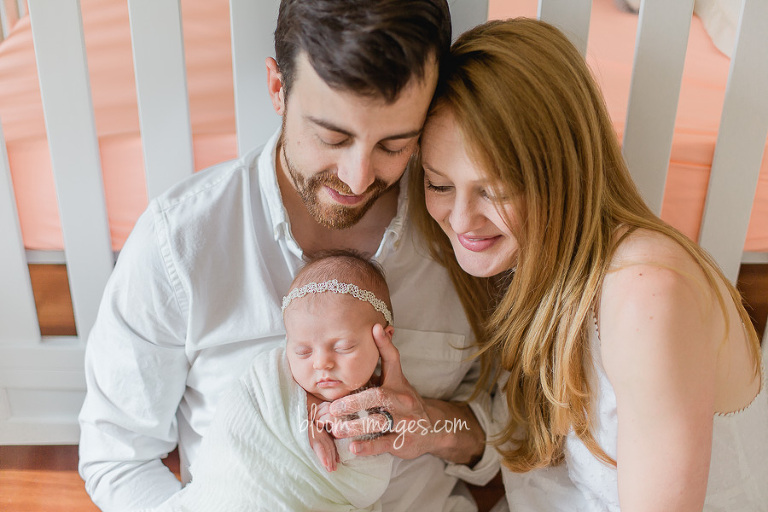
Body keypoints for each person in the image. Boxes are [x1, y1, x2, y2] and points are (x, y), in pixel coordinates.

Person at [78, 2, 498, 511]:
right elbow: (117, 458)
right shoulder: (180, 244)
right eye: (332, 137)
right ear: (278, 89)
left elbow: (507, 431)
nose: (357, 177)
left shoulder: (470, 235)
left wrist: (434, 426)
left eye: (393, 144)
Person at [411, 18, 767, 512]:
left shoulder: (645, 294)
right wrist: (423, 425)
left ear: (559, 171)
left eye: (493, 189)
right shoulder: (535, 261)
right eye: (439, 185)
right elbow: (511, 445)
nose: (462, 220)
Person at [142, 252, 400, 511]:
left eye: (343, 347)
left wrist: (345, 432)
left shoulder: (383, 408)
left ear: (383, 338)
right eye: (303, 351)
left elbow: (368, 484)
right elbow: (241, 417)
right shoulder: (271, 376)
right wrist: (300, 413)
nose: (322, 363)